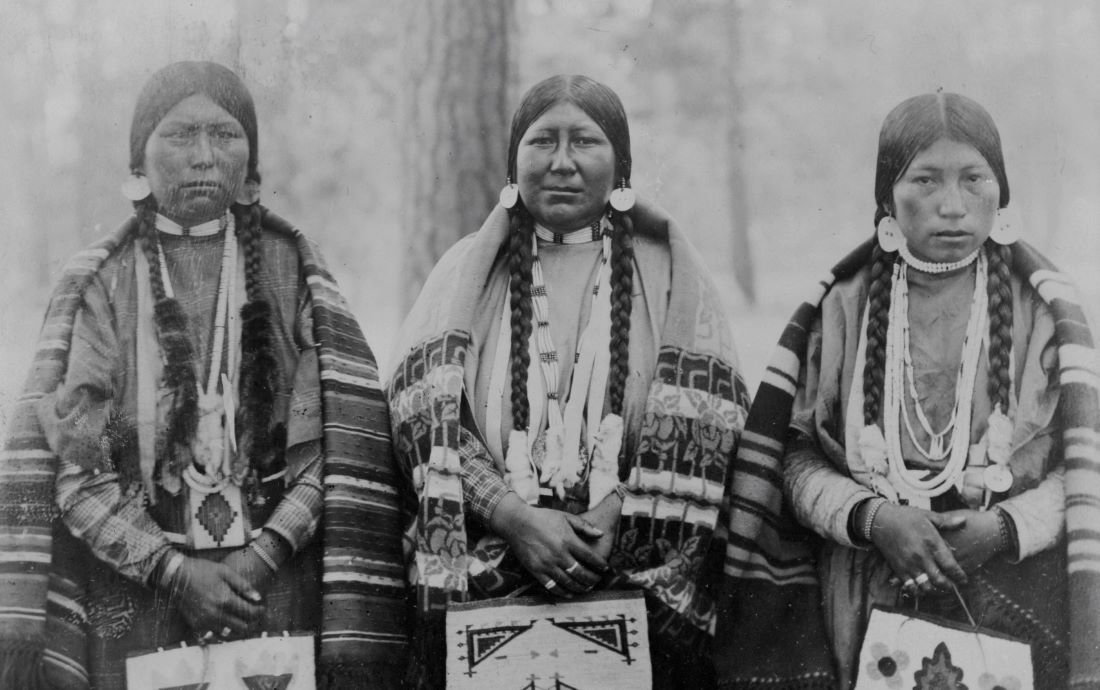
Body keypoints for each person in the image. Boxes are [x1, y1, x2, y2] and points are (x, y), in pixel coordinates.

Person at [0, 61, 406, 689]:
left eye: (224, 135)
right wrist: (174, 572)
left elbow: (337, 448)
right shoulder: (103, 282)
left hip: (277, 586)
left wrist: (262, 554)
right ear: (139, 161)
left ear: (251, 164)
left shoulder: (290, 267)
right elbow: (75, 469)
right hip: (136, 595)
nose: (203, 157)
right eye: (180, 135)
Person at [387, 74, 754, 689]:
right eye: (542, 142)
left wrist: (618, 511)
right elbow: (420, 417)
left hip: (639, 583)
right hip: (488, 583)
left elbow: (713, 424)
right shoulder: (464, 274)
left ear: (622, 165)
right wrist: (511, 516)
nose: (562, 162)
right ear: (513, 163)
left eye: (584, 141)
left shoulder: (670, 275)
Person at [739, 92, 1100, 689]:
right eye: (925, 181)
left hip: (1018, 588)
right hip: (863, 591)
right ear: (887, 196)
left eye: (973, 179)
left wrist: (1006, 528)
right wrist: (876, 518)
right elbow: (793, 460)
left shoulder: (1045, 313)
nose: (952, 206)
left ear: (1001, 192)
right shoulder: (843, 306)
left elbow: (1084, 469)